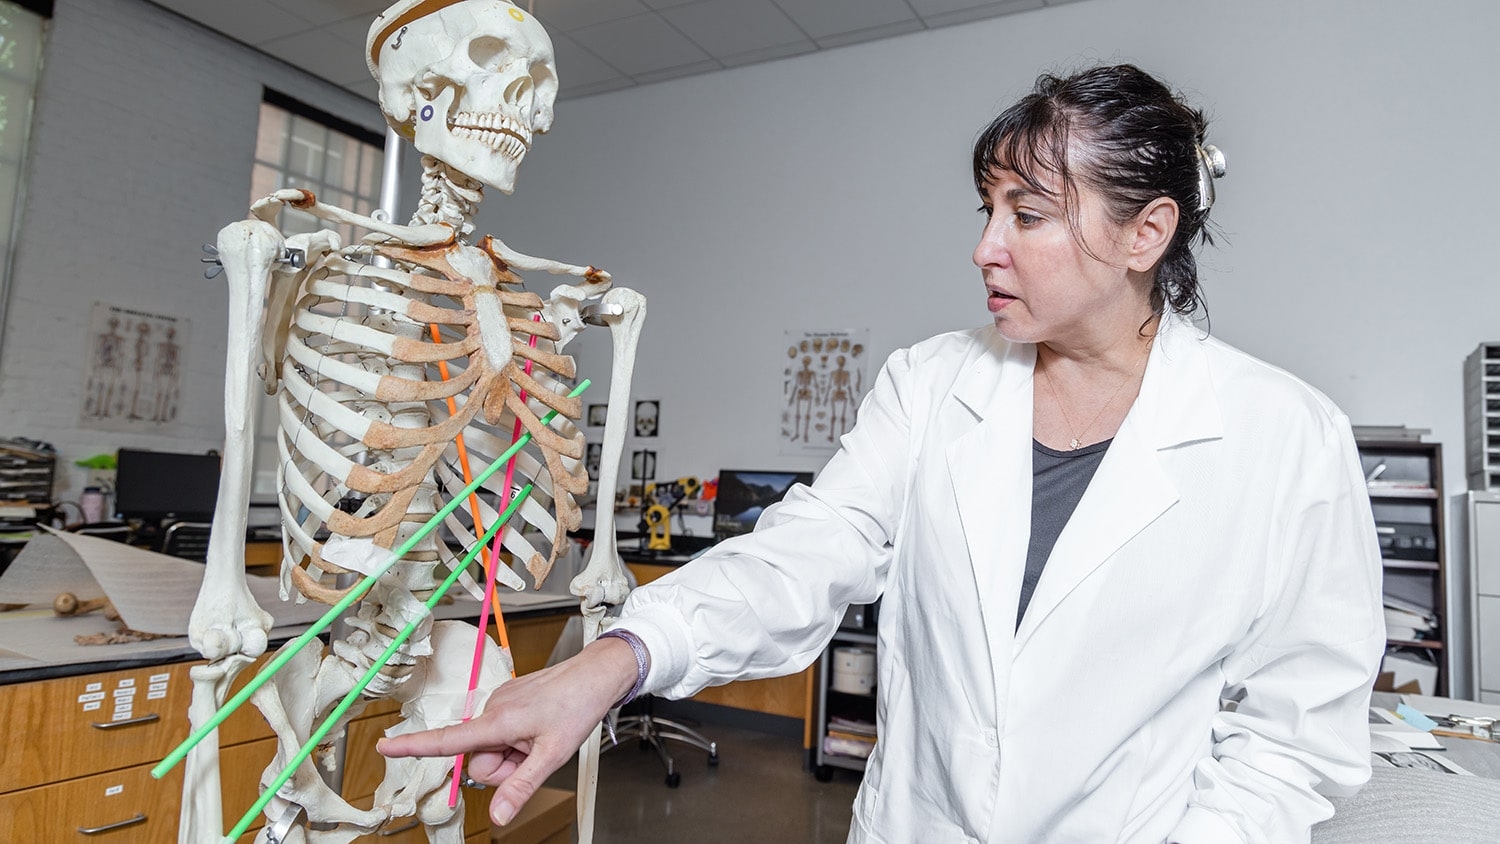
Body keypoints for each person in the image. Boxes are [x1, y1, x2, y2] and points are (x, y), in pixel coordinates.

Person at [380, 64, 1384, 842]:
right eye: (986, 210)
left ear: (1145, 233)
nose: (986, 245)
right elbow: (806, 553)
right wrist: (613, 661)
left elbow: (1292, 741)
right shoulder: (932, 382)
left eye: (1026, 216)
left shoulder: (1283, 437)